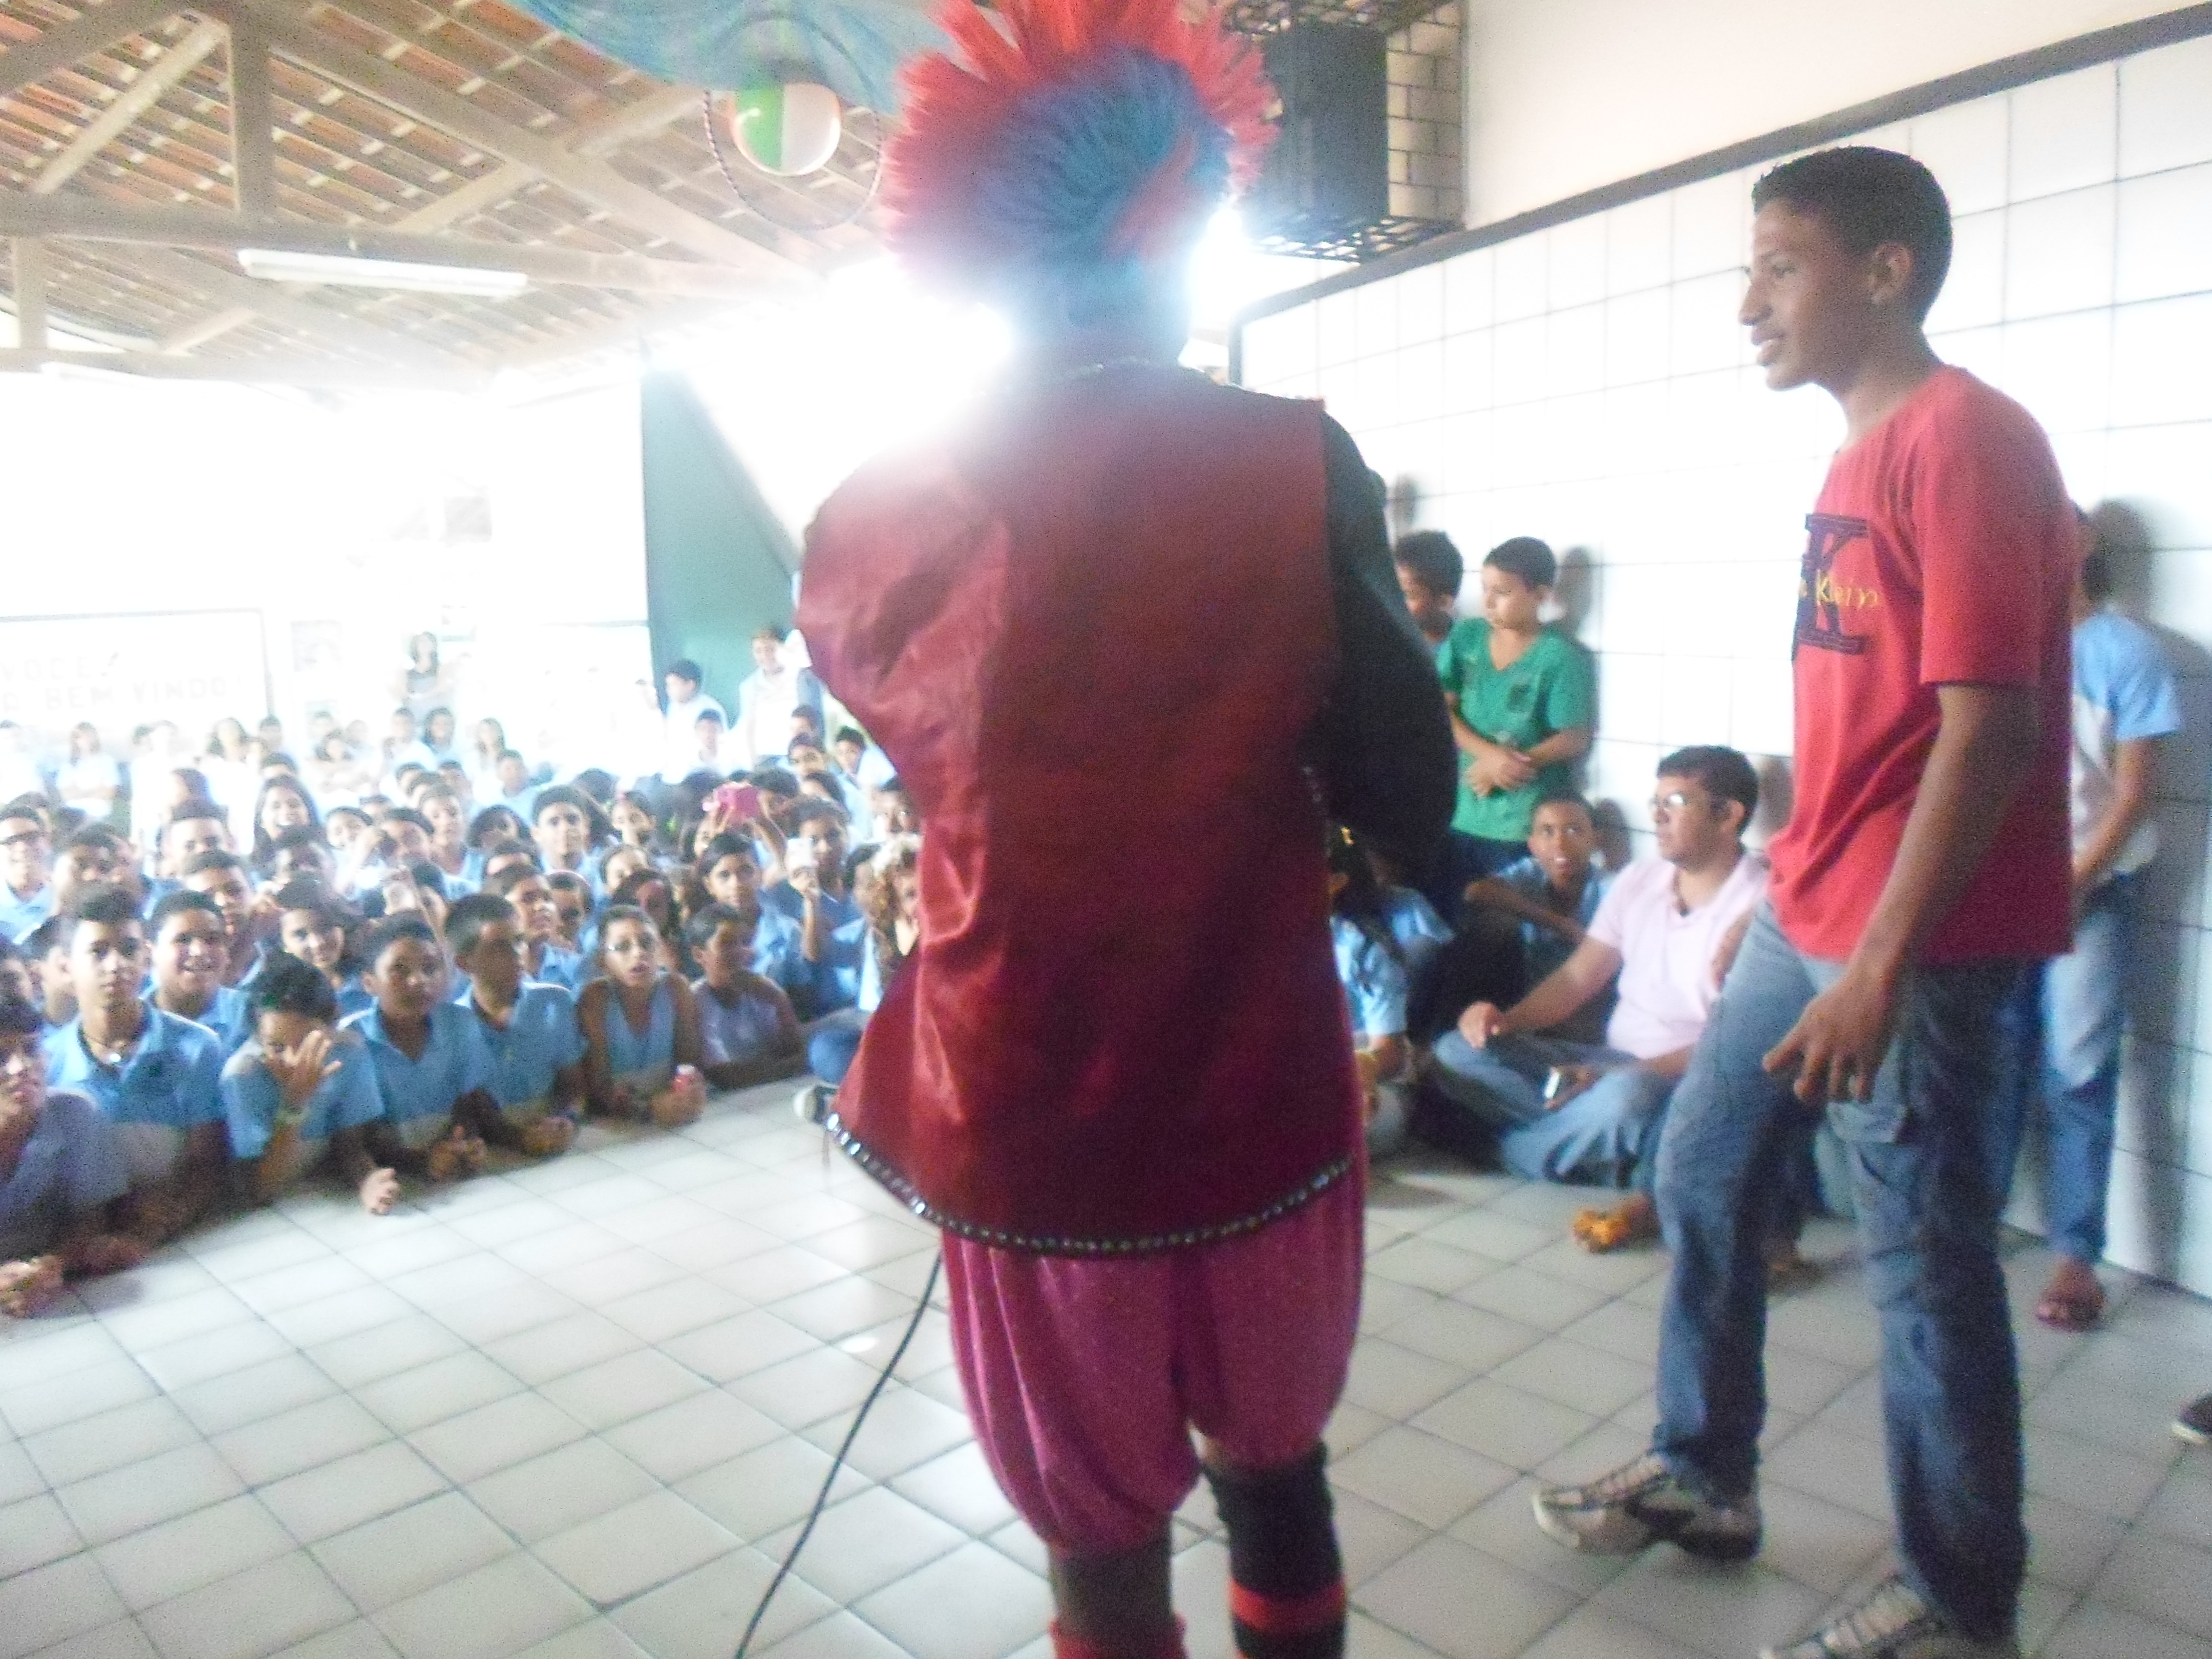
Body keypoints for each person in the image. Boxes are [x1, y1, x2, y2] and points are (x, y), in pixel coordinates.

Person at [794, 1, 1457, 1649]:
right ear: (1173, 230)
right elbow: (1412, 790)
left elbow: (939, 758)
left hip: (1023, 1095)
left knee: (1093, 1542)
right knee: (1278, 1473)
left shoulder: (870, 515)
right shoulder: (1291, 463)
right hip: (1252, 1071)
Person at [1532, 148, 2075, 1659]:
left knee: (1923, 1262)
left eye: (1780, 266)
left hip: (1919, 936)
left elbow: (1993, 728)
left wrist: (1879, 967)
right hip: (1811, 897)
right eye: (1751, 268)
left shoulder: (1966, 440)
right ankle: (1706, 1474)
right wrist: (1798, 899)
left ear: (1885, 272)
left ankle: (1961, 1601)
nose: (1748, 303)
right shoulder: (1856, 455)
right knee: (1704, 1166)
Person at [1427, 749, 1768, 1249]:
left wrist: (1621, 1074)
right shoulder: (1640, 880)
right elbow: (1578, 977)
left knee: (1626, 1101)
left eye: (1675, 802)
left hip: (1674, 1079)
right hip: (1601, 1061)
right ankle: (1593, 1150)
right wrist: (1505, 1022)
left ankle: (1507, 1151)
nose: (1657, 816)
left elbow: (1735, 1044)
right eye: (1655, 802)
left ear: (1728, 815)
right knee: (1456, 1051)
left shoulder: (1760, 905)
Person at [1984, 514, 2182, 1333]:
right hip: (1997, 890)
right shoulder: (1994, 645)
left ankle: (2076, 1255)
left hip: (2089, 893)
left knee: (2079, 1069)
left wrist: (2071, 883)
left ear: (2085, 548)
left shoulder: (2126, 651)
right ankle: (1971, 1224)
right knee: (1990, 1065)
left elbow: (2134, 793)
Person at [43, 884, 227, 1246]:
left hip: (183, 1236)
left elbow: (206, 1164)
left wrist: (159, 1224)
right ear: (66, 967)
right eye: (98, 952)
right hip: (85, 1243)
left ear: (146, 957)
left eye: (129, 950)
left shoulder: (196, 1047)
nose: (116, 965)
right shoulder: (48, 1064)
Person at [1434, 537, 1597, 906]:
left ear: (1540, 595)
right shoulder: (1467, 638)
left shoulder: (1559, 657)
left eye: (1503, 592)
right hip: (1464, 809)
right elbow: (1442, 708)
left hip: (1521, 819)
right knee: (1455, 913)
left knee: (1507, 919)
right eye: (1485, 589)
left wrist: (1516, 763)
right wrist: (1490, 756)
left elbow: (1574, 737)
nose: (1489, 602)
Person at [221, 951, 397, 1214]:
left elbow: (350, 1147)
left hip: (324, 1199)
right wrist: (295, 1102)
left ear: (334, 1021)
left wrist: (367, 1180)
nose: (294, 1060)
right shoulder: (243, 1076)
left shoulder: (349, 1052)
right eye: (276, 1046)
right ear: (257, 1035)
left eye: (307, 1043)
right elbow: (260, 1190)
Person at [0, 991, 141, 1316]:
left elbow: (91, 1217)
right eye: (0, 1058)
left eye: (31, 1050)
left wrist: (54, 1265)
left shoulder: (74, 1114)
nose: (20, 1068)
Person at [342, 914, 494, 1183]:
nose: (418, 981)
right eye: (400, 970)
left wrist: (466, 1142)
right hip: (387, 1179)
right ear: (369, 983)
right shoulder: (352, 1041)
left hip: (446, 1172)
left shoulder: (459, 1023)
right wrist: (420, 1161)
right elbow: (351, 1144)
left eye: (430, 968)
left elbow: (470, 1103)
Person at [444, 895, 582, 1156]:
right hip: (495, 1150)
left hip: (554, 1137)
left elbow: (572, 1084)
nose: (517, 954)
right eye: (499, 947)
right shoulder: (453, 1024)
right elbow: (472, 1110)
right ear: (464, 963)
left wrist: (564, 1119)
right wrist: (520, 1139)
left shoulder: (553, 1001)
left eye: (519, 941)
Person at [577, 905, 706, 1125]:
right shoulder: (596, 1000)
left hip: (672, 1111)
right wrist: (649, 1109)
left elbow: (689, 1063)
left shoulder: (676, 989)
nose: (639, 953)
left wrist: (690, 1091)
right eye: (622, 947)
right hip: (618, 1123)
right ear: (602, 960)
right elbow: (598, 1089)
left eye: (647, 943)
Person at [1328, 830, 1413, 1158]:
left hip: (1367, 1076)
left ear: (1335, 883)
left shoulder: (1364, 949)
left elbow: (1391, 1052)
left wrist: (1365, 1063)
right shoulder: (1260, 941)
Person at [687, 901, 805, 1090]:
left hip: (772, 1091)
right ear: (699, 955)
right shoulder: (694, 1001)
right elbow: (721, 1076)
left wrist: (779, 999)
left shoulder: (763, 990)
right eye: (727, 944)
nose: (739, 951)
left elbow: (797, 1055)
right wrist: (776, 1068)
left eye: (744, 942)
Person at [147, 890, 254, 1055]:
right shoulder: (130, 1022)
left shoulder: (251, 1015)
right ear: (151, 952)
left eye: (212, 940)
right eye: (183, 940)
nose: (199, 951)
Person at [273, 879, 373, 1022]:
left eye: (325, 928)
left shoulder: (374, 975)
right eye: (301, 935)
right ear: (283, 944)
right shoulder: (282, 999)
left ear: (342, 926)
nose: (317, 944)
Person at [731, 628, 826, 769]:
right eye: (759, 651)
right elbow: (748, 726)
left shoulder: (802, 678)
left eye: (770, 649)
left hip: (798, 757)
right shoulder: (749, 686)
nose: (765, 656)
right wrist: (753, 762)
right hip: (765, 759)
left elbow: (814, 719)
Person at [488, 864, 588, 992]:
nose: (542, 906)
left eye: (547, 898)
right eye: (528, 899)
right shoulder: (485, 972)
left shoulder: (578, 968)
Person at [180, 851, 263, 988]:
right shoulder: (182, 966)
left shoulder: (283, 960)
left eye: (235, 890)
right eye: (207, 897)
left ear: (253, 892)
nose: (223, 902)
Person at [1393, 529, 1463, 654]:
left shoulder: (1463, 651)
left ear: (1444, 602)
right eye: (1394, 590)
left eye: (1409, 595)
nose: (1396, 602)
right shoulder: (1387, 641)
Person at [658, 661, 726, 785]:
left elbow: (717, 750)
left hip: (701, 780)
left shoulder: (709, 709)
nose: (668, 690)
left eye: (673, 685)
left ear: (690, 685)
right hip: (672, 777)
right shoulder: (673, 707)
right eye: (668, 685)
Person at [0, 796, 54, 945]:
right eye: (11, 841)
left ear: (47, 842)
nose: (23, 848)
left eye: (31, 838)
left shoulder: (64, 901)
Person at [55, 723, 122, 826]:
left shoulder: (107, 762)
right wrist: (97, 789)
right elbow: (66, 795)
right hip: (74, 819)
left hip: (100, 817)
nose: (85, 740)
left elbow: (109, 793)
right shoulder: (68, 765)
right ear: (75, 740)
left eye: (88, 736)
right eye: (80, 737)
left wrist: (79, 792)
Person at [394, 632, 458, 723]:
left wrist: (422, 696)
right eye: (421, 641)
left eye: (428, 641)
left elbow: (442, 688)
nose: (424, 644)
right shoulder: (408, 672)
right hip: (414, 715)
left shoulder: (442, 668)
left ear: (434, 645)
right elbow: (402, 694)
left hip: (436, 717)